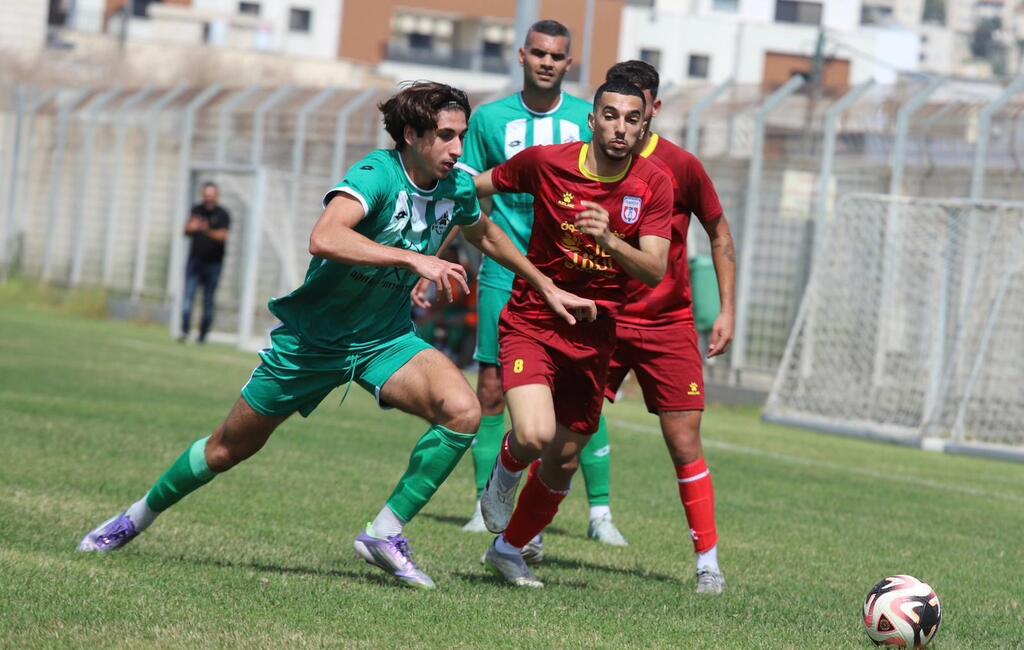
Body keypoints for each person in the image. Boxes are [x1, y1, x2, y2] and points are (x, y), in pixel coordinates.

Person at [77, 81, 596, 591]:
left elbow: (483, 231)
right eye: (445, 135)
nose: (458, 148)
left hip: (385, 340)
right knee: (226, 449)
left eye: (461, 135)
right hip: (313, 342)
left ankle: (384, 535)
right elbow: (324, 237)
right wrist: (413, 258)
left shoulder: (456, 184)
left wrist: (544, 284)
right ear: (413, 135)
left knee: (461, 411)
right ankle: (135, 517)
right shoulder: (376, 174)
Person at [413, 19, 628, 546]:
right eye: (539, 53)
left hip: (572, 274)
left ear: (568, 63)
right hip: (506, 271)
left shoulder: (589, 118)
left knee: (581, 392)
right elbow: (470, 199)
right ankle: (487, 499)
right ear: (521, 56)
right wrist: (431, 260)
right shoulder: (488, 120)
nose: (547, 62)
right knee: (489, 389)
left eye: (557, 55)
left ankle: (599, 512)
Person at [473, 80, 673, 587]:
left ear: (644, 126)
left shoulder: (654, 184)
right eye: (610, 115)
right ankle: (504, 473)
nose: (620, 127)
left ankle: (509, 549)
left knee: (563, 458)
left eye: (632, 119)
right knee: (535, 435)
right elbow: (476, 187)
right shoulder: (548, 163)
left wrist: (608, 237)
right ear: (593, 119)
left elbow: (653, 269)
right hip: (534, 319)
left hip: (595, 335)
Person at [602, 60, 737, 594]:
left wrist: (726, 309)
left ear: (653, 110)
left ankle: (708, 563)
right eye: (616, 109)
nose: (626, 122)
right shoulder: (586, 160)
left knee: (684, 441)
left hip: (666, 323)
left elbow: (719, 231)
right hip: (601, 316)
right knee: (564, 433)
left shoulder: (680, 166)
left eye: (639, 108)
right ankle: (524, 537)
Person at [180, 182, 230, 343]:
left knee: (208, 300)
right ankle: (185, 331)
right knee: (188, 297)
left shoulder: (223, 214)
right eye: (206, 196)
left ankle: (202, 335)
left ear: (216, 196)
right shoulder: (196, 210)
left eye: (211, 196)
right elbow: (186, 230)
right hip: (195, 262)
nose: (208, 199)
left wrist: (206, 229)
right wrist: (193, 227)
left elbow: (223, 236)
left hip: (214, 264)